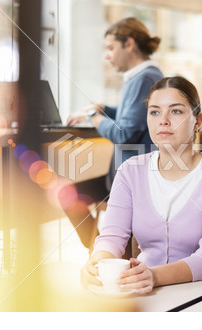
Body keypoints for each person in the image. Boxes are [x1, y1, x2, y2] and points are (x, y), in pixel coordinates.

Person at [80, 76, 202, 294]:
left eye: (176, 111)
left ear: (198, 121)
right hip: (143, 293)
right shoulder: (130, 170)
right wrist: (98, 262)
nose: (163, 120)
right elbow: (112, 237)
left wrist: (153, 276)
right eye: (155, 112)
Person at [60, 17, 164, 250]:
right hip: (128, 178)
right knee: (69, 192)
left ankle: (99, 248)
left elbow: (125, 133)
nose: (107, 55)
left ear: (129, 44)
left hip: (130, 184)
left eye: (110, 48)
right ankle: (100, 248)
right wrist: (105, 109)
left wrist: (93, 118)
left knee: (67, 193)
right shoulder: (145, 76)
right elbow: (136, 115)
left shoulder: (143, 78)